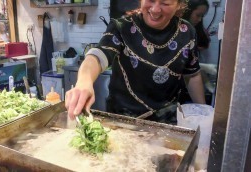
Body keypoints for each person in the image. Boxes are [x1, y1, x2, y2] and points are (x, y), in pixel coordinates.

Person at [65, 0, 206, 124]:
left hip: (167, 123)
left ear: (179, 5)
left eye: (165, 3)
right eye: (150, 0)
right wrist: (84, 81)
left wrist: (204, 114)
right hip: (123, 121)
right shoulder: (122, 27)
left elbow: (192, 75)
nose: (155, 9)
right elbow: (98, 55)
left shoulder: (187, 32)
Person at [180, 0, 217, 103]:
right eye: (198, 15)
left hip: (182, 90)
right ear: (187, 11)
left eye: (202, 16)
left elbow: (192, 68)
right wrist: (204, 67)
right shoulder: (176, 32)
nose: (200, 20)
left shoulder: (192, 31)